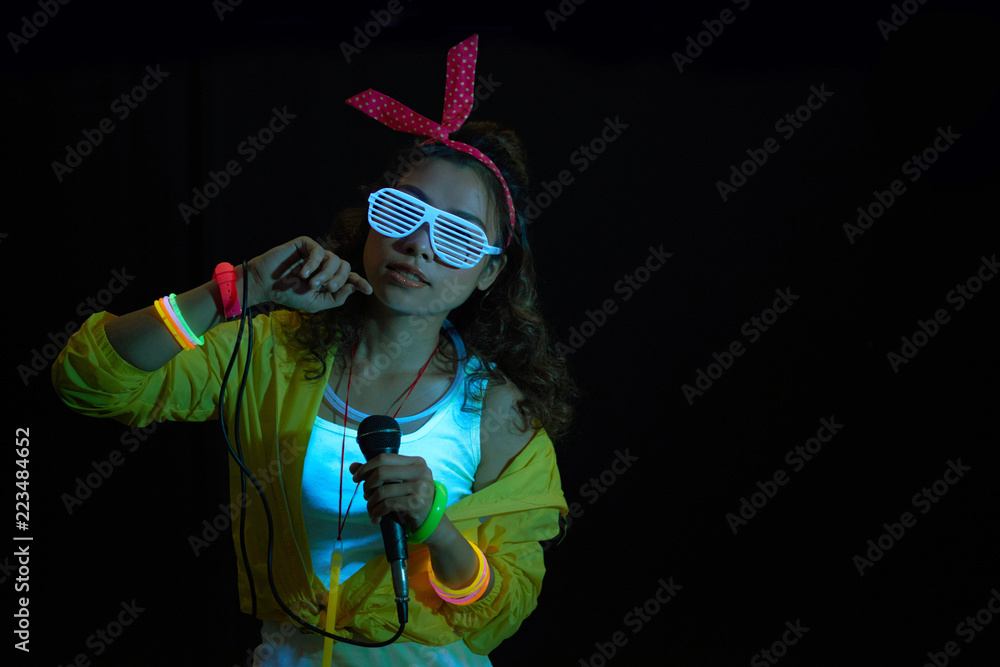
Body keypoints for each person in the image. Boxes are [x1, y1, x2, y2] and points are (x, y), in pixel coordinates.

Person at [51, 35, 575, 666]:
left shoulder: (494, 412)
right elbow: (91, 380)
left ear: (490, 272)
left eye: (460, 237)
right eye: (404, 211)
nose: (419, 244)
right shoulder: (273, 353)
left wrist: (434, 522)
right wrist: (234, 290)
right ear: (373, 223)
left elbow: (504, 607)